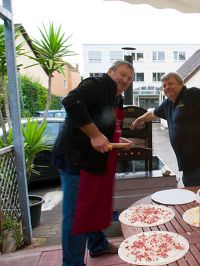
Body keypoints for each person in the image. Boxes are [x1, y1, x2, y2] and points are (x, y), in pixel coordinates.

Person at [52, 60, 134, 266]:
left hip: (97, 163)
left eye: (130, 78)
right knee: (77, 215)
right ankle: (72, 263)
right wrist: (96, 135)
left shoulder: (118, 99)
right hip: (77, 161)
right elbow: (72, 102)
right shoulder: (96, 84)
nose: (125, 80)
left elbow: (106, 126)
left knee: (94, 205)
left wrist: (117, 140)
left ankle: (97, 245)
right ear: (110, 72)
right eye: (122, 74)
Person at [130, 72, 200, 186]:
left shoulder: (193, 94)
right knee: (194, 198)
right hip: (188, 165)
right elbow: (152, 114)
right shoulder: (168, 104)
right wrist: (139, 120)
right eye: (164, 85)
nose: (167, 87)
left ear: (181, 83)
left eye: (171, 83)